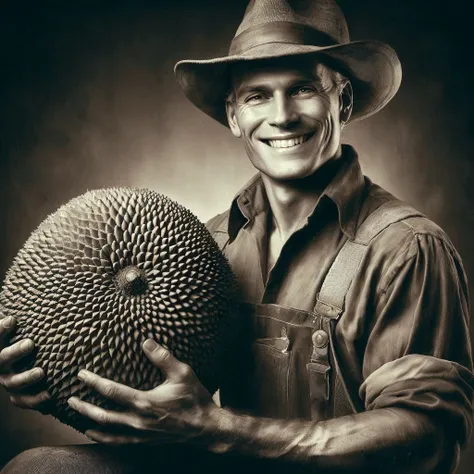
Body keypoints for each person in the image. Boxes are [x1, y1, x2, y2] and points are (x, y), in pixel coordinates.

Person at [1, 0, 473, 473]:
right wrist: (56, 384)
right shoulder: (210, 246)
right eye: (257, 96)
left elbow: (426, 432)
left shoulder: (407, 248)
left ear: (342, 102)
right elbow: (162, 406)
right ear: (233, 116)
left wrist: (217, 429)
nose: (282, 115)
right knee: (39, 467)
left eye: (303, 89)